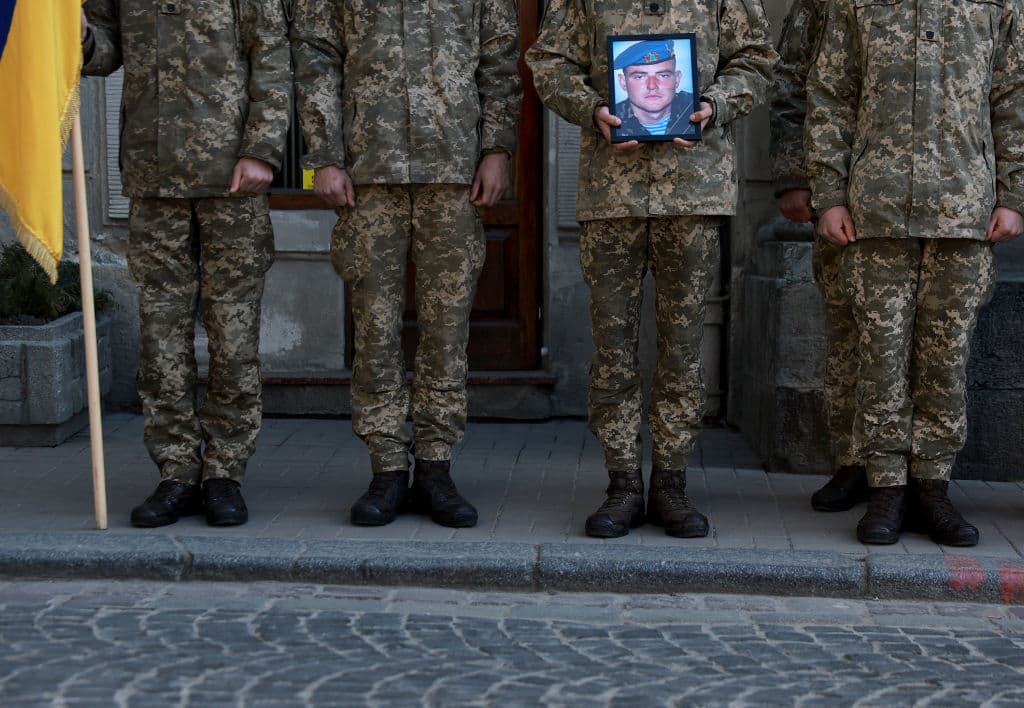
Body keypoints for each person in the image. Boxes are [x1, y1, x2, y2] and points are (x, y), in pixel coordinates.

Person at [527, 1, 776, 538]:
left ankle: (671, 483)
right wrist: (593, 109)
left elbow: (754, 58)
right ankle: (621, 483)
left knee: (683, 350)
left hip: (692, 191)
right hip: (611, 193)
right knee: (612, 348)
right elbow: (549, 61)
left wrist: (712, 104)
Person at [291, 1, 522, 528]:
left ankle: (436, 467)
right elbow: (316, 55)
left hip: (453, 166)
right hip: (369, 169)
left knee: (447, 329)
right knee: (374, 326)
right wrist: (324, 155)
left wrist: (497, 148)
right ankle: (387, 468)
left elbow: (500, 59)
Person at [806, 0, 1024, 546]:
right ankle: (885, 488)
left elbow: (1014, 98)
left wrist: (1014, 194)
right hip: (875, 212)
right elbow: (831, 93)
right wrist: (830, 195)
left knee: (944, 356)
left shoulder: (999, 4)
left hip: (963, 211)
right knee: (880, 354)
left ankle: (932, 485)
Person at [81, 1, 291, 528]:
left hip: (232, 180)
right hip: (155, 177)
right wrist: (79, 38)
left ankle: (224, 474)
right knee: (161, 339)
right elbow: (105, 47)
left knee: (233, 335)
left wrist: (263, 148)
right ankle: (176, 473)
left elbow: (271, 54)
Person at [769, 0, 868, 512]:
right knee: (848, 336)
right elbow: (791, 80)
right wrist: (792, 176)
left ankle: (921, 476)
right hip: (841, 193)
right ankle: (853, 464)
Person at [612, 40, 695, 139]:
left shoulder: (694, 106)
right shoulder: (612, 118)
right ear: (623, 82)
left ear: (677, 79)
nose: (652, 86)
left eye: (663, 75)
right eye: (639, 77)